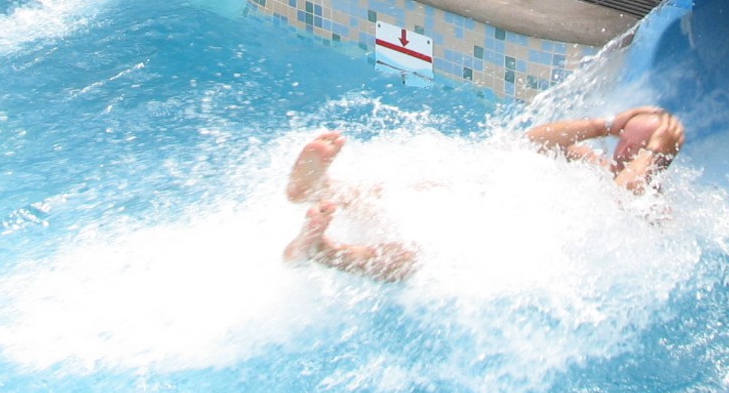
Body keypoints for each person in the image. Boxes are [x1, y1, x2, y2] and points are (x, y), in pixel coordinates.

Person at [282, 107, 686, 283]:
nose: (622, 152)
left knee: (419, 256)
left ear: (655, 158)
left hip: (510, 249)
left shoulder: (654, 209)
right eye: (624, 143)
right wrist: (605, 123)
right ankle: (322, 190)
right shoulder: (594, 165)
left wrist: (653, 153)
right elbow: (533, 141)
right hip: (497, 208)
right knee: (428, 187)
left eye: (632, 147)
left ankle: (327, 251)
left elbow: (625, 195)